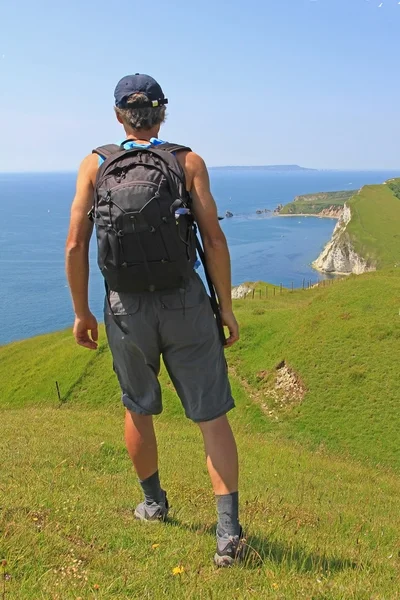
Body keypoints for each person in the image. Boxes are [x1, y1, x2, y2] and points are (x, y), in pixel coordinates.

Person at [65, 73, 243, 566]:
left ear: (119, 116)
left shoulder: (95, 164)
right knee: (211, 416)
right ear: (163, 113)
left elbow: (76, 244)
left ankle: (153, 503)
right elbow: (215, 240)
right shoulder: (188, 162)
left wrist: (82, 312)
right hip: (185, 300)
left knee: (138, 408)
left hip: (125, 305)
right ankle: (227, 535)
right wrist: (225, 307)